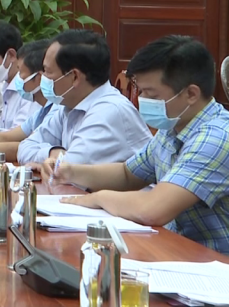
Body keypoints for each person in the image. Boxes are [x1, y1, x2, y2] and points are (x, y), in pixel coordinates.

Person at [47, 36, 229, 253]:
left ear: (191, 94)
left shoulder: (216, 138)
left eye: (150, 94)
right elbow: (127, 174)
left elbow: (153, 209)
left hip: (215, 263)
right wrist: (70, 172)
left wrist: (97, 198)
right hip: (177, 250)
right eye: (140, 91)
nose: (141, 99)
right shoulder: (173, 128)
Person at [17, 30, 151, 165]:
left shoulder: (108, 112)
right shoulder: (68, 104)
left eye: (47, 71)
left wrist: (52, 159)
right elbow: (25, 147)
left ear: (75, 77)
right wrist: (52, 152)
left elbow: (68, 167)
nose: (43, 78)